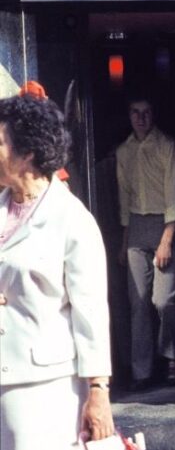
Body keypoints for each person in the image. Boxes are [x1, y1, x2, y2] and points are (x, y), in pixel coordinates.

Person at [0, 96, 114, 448]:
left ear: (28, 152)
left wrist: (98, 390)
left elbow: (91, 312)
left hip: (44, 384)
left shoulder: (72, 219)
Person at [116, 96, 175, 388]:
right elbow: (124, 199)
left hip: (164, 224)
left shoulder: (167, 146)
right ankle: (141, 371)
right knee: (138, 303)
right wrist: (124, 243)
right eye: (135, 112)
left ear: (153, 114)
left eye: (146, 112)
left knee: (163, 299)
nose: (141, 118)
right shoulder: (123, 151)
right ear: (129, 115)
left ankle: (174, 354)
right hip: (135, 227)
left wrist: (167, 240)